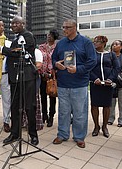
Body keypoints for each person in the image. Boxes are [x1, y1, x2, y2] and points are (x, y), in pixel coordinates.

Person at [0, 16, 39, 145]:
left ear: (23, 24)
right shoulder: (16, 38)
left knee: (29, 107)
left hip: (27, 77)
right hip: (15, 78)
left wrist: (1, 49)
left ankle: (33, 135)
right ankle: (14, 134)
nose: (12, 25)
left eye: (16, 23)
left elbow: (17, 52)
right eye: (12, 23)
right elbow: (13, 51)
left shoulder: (27, 36)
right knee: (15, 107)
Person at [52, 19, 97, 148]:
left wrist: (78, 69)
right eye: (63, 27)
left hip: (79, 84)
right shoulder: (60, 43)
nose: (64, 30)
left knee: (79, 112)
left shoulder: (86, 42)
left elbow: (92, 61)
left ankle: (79, 137)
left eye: (67, 27)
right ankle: (62, 134)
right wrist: (56, 64)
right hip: (63, 83)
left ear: (74, 28)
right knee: (63, 111)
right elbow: (54, 58)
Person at [90, 36, 120, 138]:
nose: (95, 43)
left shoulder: (111, 55)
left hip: (108, 84)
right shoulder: (92, 54)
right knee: (94, 105)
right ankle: (96, 126)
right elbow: (88, 68)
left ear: (103, 43)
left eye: (97, 42)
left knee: (107, 106)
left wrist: (110, 79)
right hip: (95, 83)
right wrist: (95, 79)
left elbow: (116, 68)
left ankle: (105, 127)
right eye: (94, 41)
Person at [39, 29, 59, 127]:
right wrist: (42, 73)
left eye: (51, 35)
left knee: (52, 96)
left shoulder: (58, 47)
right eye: (48, 35)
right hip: (42, 75)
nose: (49, 36)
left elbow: (59, 60)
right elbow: (38, 60)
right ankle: (44, 115)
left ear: (55, 37)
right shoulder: (41, 47)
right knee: (43, 96)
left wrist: (52, 73)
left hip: (53, 75)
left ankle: (51, 116)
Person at [108, 40, 122, 127]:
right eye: (113, 44)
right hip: (111, 82)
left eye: (116, 44)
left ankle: (121, 120)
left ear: (121, 47)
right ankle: (110, 119)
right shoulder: (108, 56)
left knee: (121, 103)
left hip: (121, 83)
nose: (114, 46)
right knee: (111, 103)